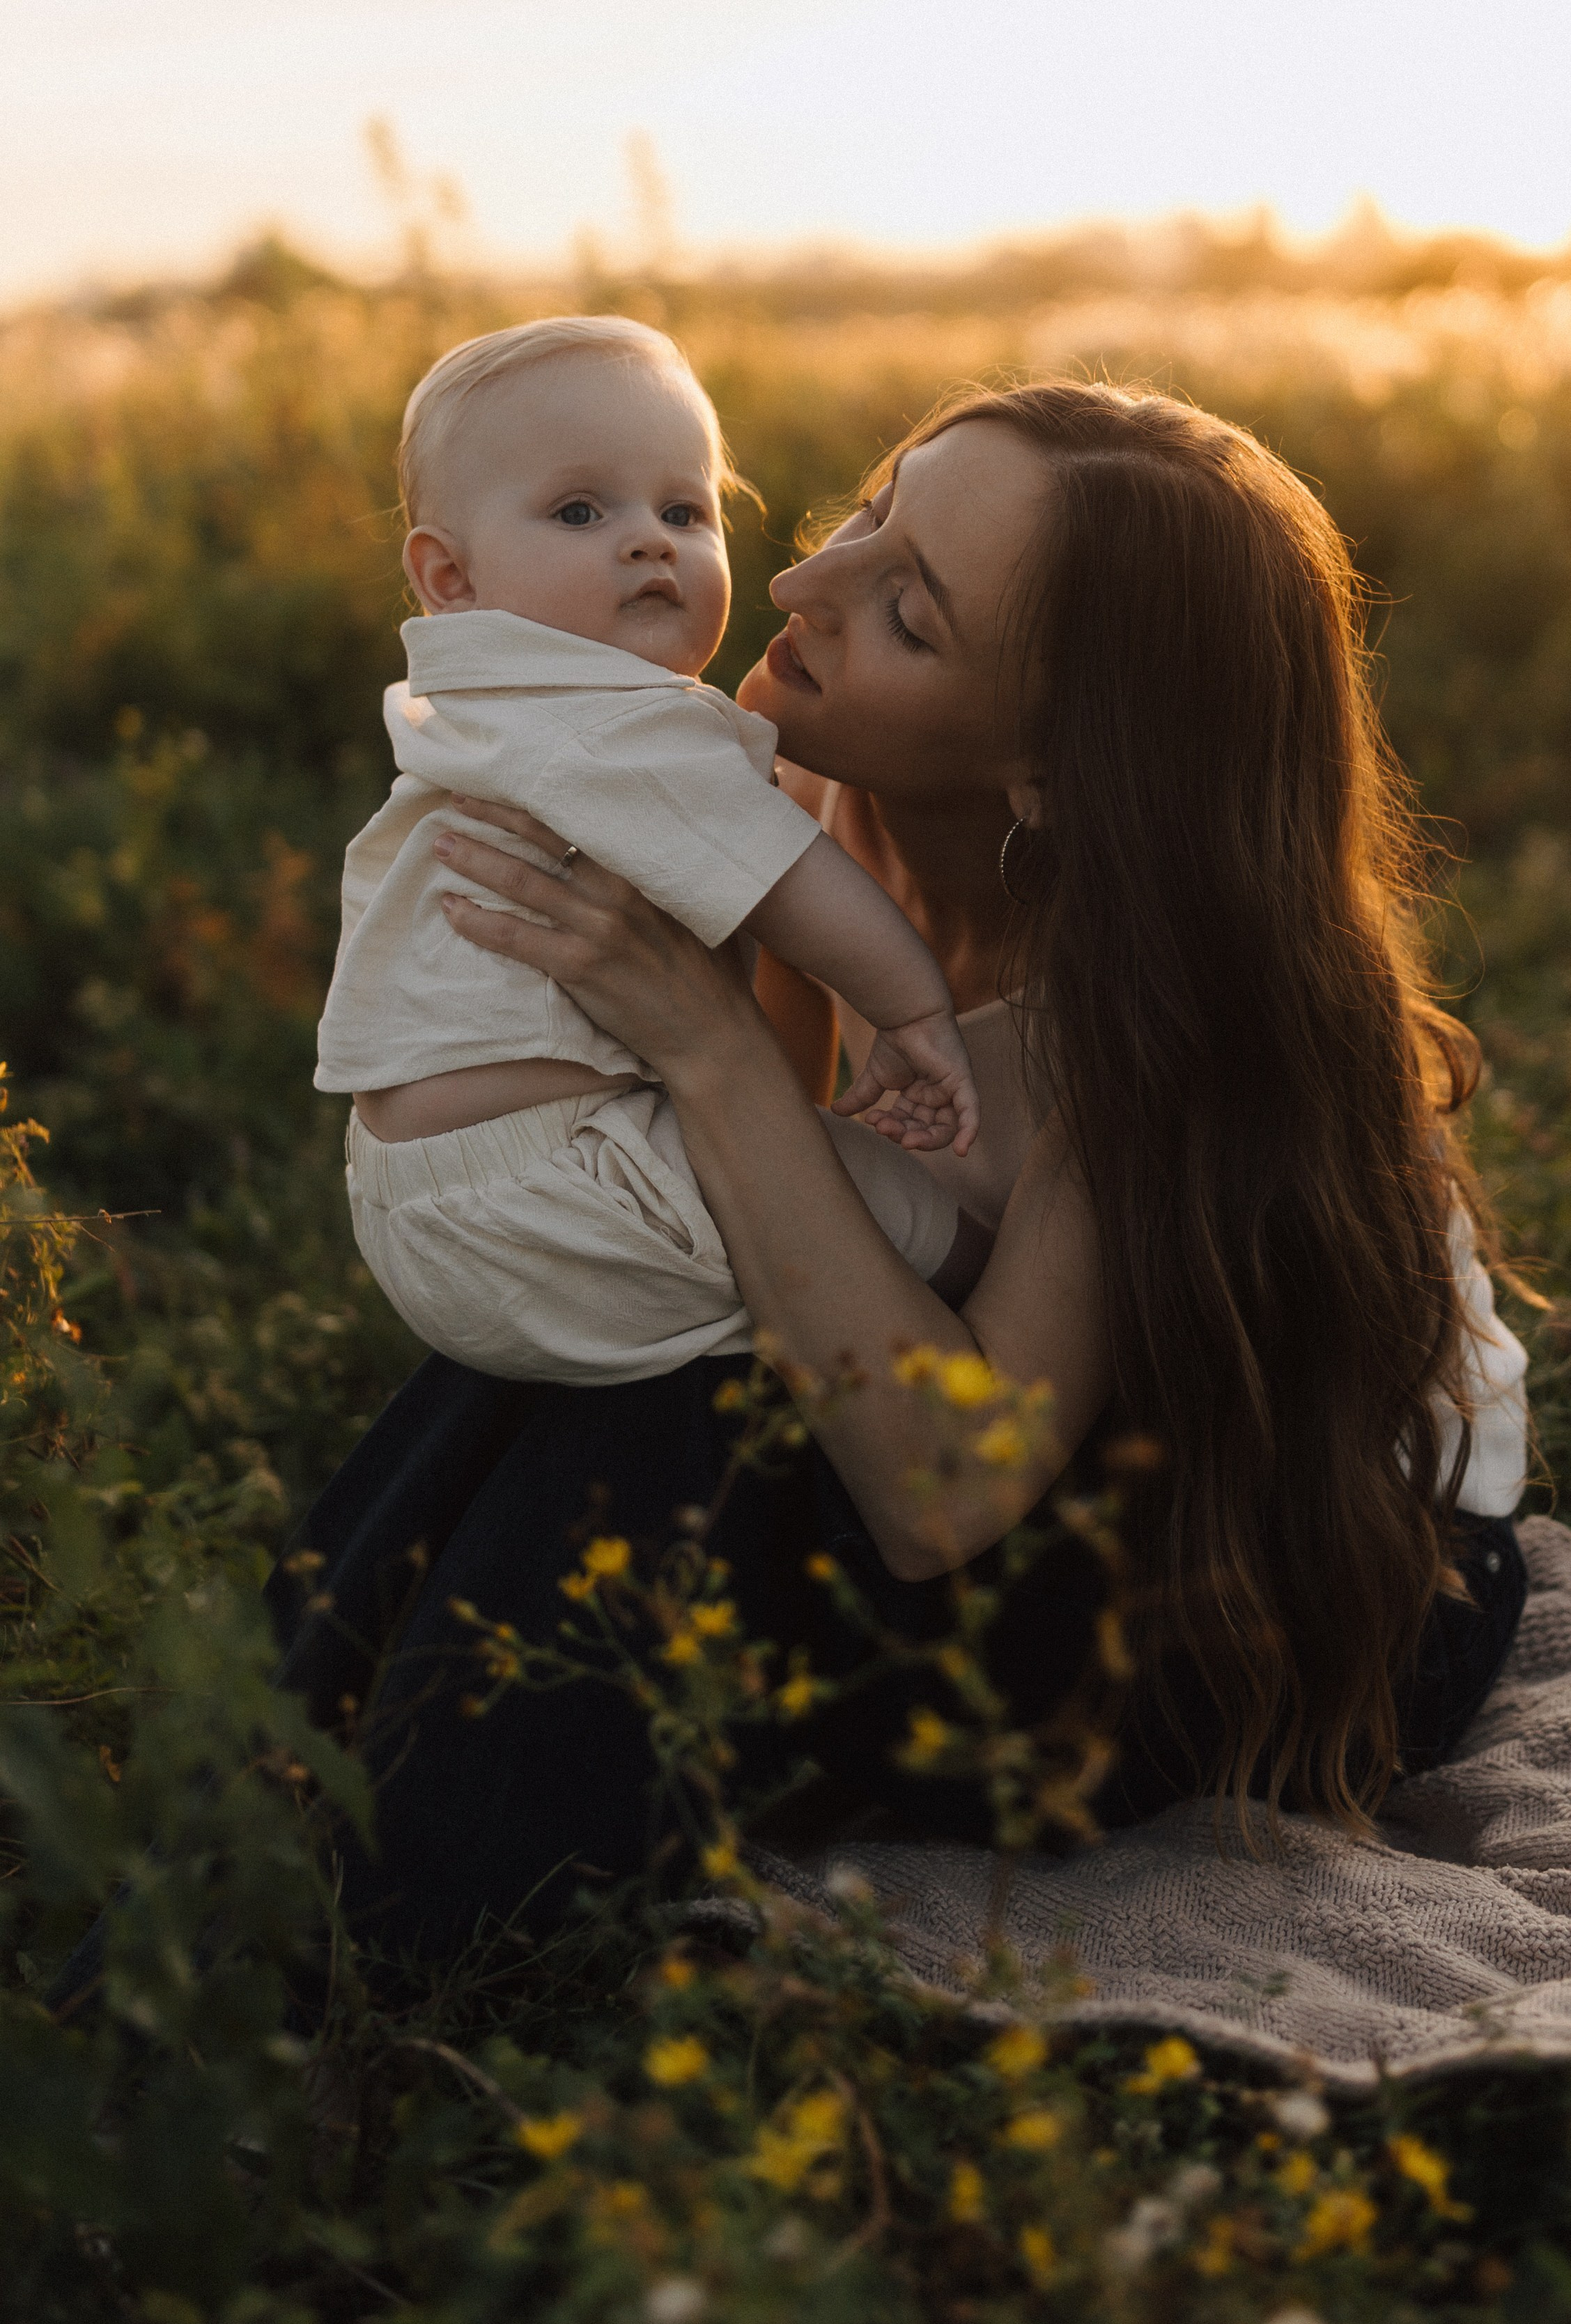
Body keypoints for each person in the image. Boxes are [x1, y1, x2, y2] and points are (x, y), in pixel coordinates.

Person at [270, 379, 1531, 1966]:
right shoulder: (803, 794)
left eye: (908, 611)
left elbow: (943, 1495)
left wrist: (705, 1048)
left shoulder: (1159, 1014)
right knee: (613, 1378)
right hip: (989, 1421)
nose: (796, 587)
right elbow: (752, 1255)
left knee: (670, 1422)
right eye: (868, 514)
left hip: (1284, 1542)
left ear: (1054, 772)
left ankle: (390, 1966)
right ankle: (273, 1836)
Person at [316, 314, 980, 1387]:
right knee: (923, 1226)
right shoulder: (622, 723)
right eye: (581, 511)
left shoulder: (476, 711)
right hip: (569, 1181)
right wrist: (913, 1011)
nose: (647, 540)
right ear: (448, 577)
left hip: (406, 1202)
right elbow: (793, 887)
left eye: (684, 510)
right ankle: (1043, 1418)